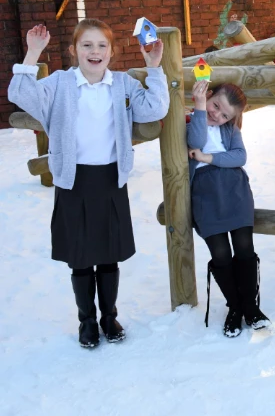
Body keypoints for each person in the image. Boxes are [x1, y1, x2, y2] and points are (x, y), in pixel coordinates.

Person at [8, 20, 169, 348]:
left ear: (112, 51)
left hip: (110, 180)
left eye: (101, 46)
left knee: (108, 255)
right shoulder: (60, 84)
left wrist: (154, 68)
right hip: (74, 182)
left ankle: (109, 317)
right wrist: (33, 53)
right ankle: (87, 322)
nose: (94, 52)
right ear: (74, 51)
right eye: (87, 45)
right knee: (80, 256)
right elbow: (20, 94)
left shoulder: (122, 84)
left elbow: (156, 107)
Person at [187, 80, 270, 337]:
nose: (217, 115)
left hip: (235, 190)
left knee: (244, 248)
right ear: (207, 96)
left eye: (225, 115)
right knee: (221, 253)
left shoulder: (230, 129)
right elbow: (196, 139)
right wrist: (200, 108)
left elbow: (240, 157)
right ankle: (234, 307)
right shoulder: (189, 121)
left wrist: (207, 157)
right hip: (206, 194)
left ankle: (250, 307)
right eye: (215, 106)